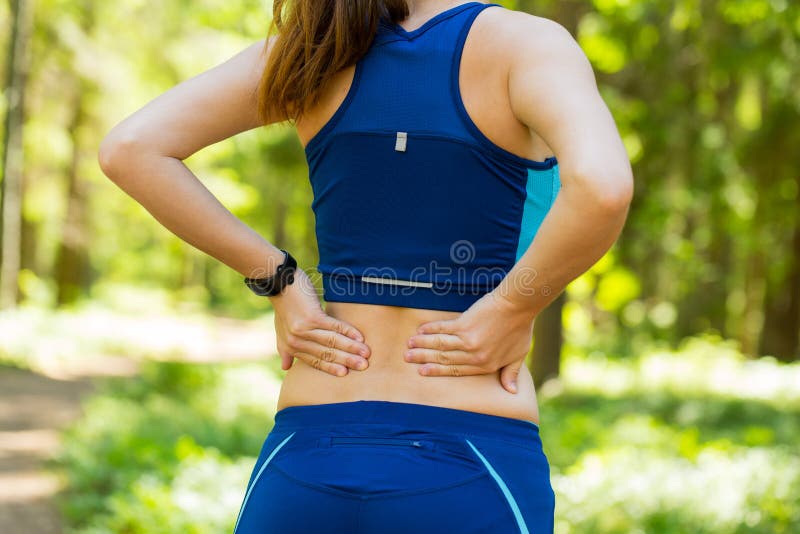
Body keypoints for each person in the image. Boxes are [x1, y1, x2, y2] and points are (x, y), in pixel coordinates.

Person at [98, 1, 633, 532]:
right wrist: (514, 306)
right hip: (471, 462)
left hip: (304, 458)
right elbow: (602, 188)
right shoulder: (527, 46)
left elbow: (131, 148)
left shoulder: (314, 47)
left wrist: (280, 280)